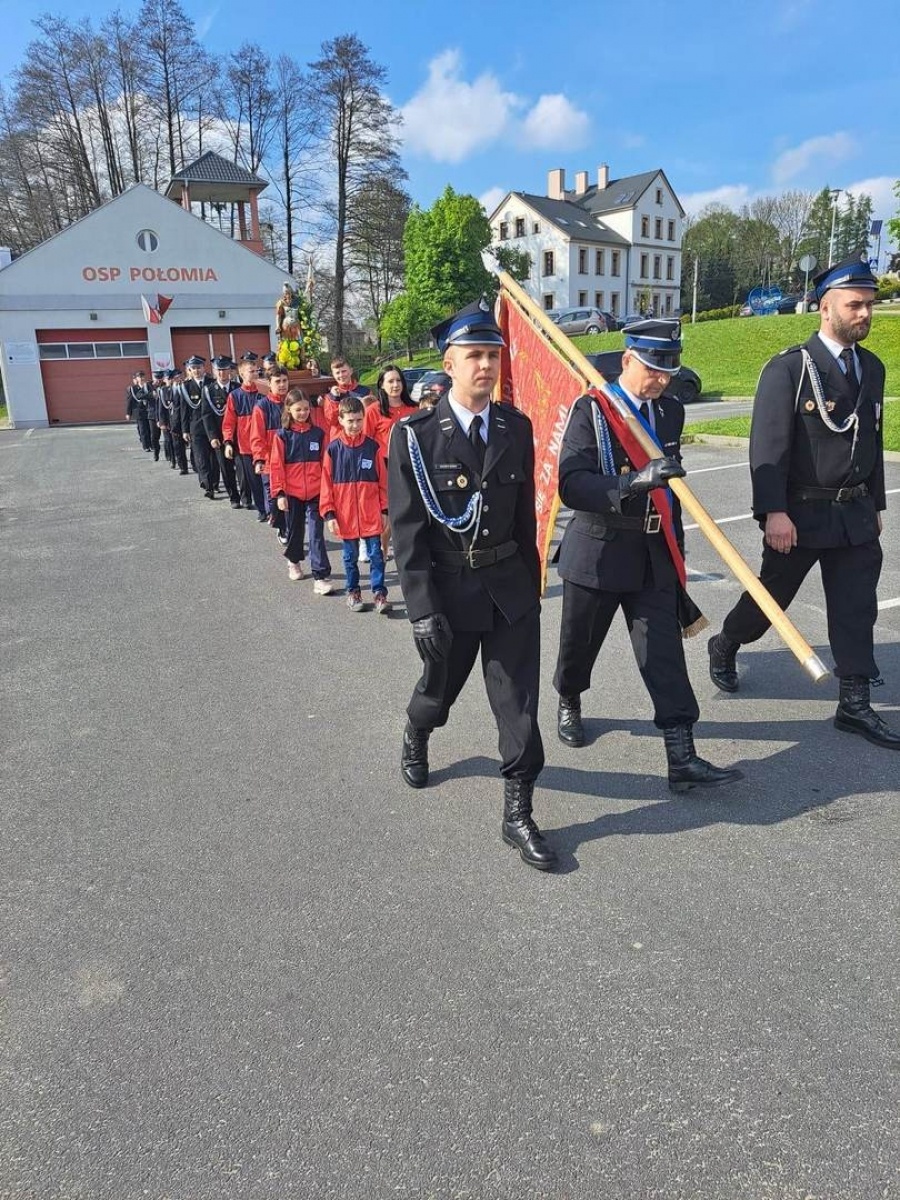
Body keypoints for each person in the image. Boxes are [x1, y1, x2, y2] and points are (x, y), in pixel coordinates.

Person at [387, 299, 556, 872]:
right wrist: (420, 609)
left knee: (519, 705)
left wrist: (531, 586)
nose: (486, 365)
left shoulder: (516, 427)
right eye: (474, 355)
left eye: (492, 355)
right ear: (449, 364)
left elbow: (525, 517)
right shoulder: (415, 437)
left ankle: (518, 812)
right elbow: (407, 530)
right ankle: (417, 730)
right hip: (448, 593)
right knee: (438, 692)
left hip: (508, 590)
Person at [708, 253, 898, 749]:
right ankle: (726, 642)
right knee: (771, 599)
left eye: (870, 305)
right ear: (825, 306)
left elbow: (872, 440)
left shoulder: (871, 368)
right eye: (855, 305)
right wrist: (773, 511)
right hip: (801, 514)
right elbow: (767, 448)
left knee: (856, 607)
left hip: (855, 513)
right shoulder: (790, 369)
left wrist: (876, 505)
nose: (865, 314)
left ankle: (853, 703)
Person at [552, 318, 743, 793]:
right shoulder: (593, 409)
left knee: (664, 656)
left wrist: (677, 549)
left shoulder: (670, 411)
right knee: (579, 646)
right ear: (627, 360)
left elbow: (672, 495)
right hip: (598, 551)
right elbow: (572, 484)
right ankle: (570, 698)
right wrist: (631, 482)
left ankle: (682, 756)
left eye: (668, 371)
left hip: (652, 554)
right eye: (653, 369)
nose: (661, 380)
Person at [319, 395, 390, 614]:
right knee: (349, 558)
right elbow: (326, 483)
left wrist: (384, 509)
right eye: (350, 421)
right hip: (345, 515)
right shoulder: (333, 449)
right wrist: (329, 513)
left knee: (376, 555)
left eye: (359, 420)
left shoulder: (373, 447)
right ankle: (353, 592)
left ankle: (379, 593)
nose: (355, 425)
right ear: (340, 420)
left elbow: (383, 482)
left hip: (370, 513)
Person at [269, 388, 334, 593]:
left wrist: (328, 490)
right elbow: (277, 466)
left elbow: (326, 464)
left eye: (306, 409)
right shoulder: (282, 436)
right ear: (288, 409)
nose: (303, 413)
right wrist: (280, 493)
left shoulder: (318, 434)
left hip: (316, 492)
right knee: (295, 531)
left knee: (316, 533)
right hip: (292, 493)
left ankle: (320, 576)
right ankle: (293, 561)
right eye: (298, 409)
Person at [364, 364, 418, 561]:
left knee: (409, 511)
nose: (395, 385)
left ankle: (409, 549)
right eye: (390, 381)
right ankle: (383, 548)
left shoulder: (414, 409)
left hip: (410, 466)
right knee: (389, 511)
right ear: (382, 385)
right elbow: (366, 442)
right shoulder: (373, 411)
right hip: (384, 467)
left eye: (398, 380)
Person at [250, 365, 290, 540]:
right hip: (270, 461)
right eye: (277, 381)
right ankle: (278, 524)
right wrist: (259, 459)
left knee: (289, 498)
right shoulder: (262, 407)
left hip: (291, 460)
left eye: (284, 381)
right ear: (269, 383)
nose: (282, 385)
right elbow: (257, 436)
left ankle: (286, 528)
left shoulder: (293, 402)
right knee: (274, 499)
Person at [223, 358, 266, 518]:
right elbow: (229, 422)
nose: (255, 374)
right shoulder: (235, 396)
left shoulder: (265, 392)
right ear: (241, 374)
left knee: (268, 479)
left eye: (257, 371)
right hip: (246, 447)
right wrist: (228, 442)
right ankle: (262, 510)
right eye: (251, 371)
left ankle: (272, 509)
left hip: (265, 444)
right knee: (254, 481)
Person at [178, 355, 220, 499]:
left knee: (214, 459)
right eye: (193, 368)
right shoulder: (186, 387)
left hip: (213, 428)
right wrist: (185, 430)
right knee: (201, 458)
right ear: (190, 370)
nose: (196, 370)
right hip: (196, 428)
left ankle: (214, 482)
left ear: (204, 368)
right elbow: (183, 410)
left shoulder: (212, 383)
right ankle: (208, 486)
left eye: (199, 367)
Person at [203, 356, 242, 508]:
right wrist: (212, 436)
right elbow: (206, 415)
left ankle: (246, 496)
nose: (221, 373)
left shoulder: (238, 388)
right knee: (226, 469)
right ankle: (234, 497)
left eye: (224, 370)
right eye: (218, 370)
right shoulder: (208, 390)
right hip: (219, 436)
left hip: (238, 435)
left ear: (230, 370)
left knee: (241, 467)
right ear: (214, 371)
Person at [125, 370, 152, 451]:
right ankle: (146, 446)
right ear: (136, 378)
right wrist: (128, 413)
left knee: (150, 429)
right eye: (140, 377)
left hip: (148, 411)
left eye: (143, 376)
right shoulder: (133, 389)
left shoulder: (148, 386)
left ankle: (151, 445)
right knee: (143, 430)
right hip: (139, 412)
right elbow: (129, 401)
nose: (142, 378)